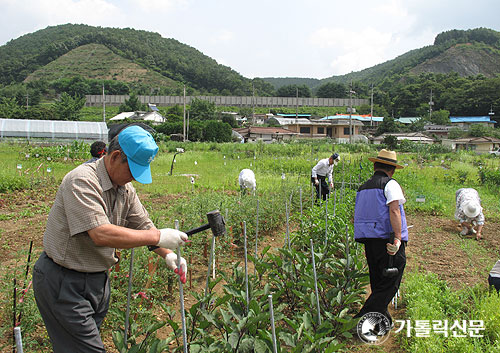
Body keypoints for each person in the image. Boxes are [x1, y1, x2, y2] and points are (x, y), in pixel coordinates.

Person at [33, 125, 189, 353]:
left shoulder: (124, 188)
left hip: (96, 281)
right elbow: (100, 233)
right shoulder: (82, 181)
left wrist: (168, 254)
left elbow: (142, 224)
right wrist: (159, 236)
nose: (135, 177)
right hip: (63, 281)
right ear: (116, 157)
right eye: (133, 169)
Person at [353, 149, 408, 328]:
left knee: (378, 280)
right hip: (387, 240)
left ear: (375, 165)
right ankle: (362, 319)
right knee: (391, 282)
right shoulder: (390, 184)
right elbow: (394, 210)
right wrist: (398, 239)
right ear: (392, 169)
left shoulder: (363, 187)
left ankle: (382, 322)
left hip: (369, 240)